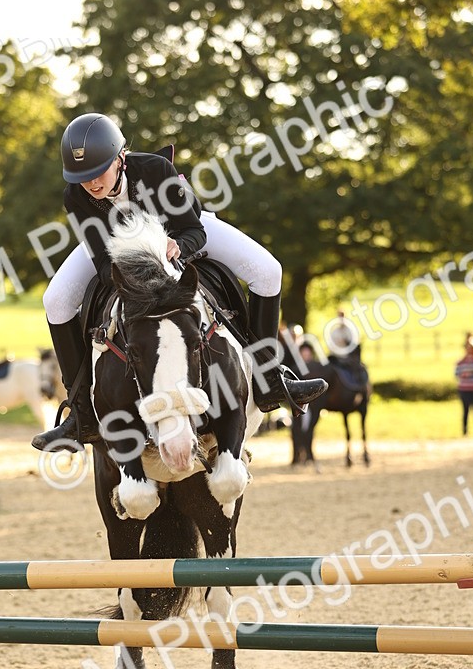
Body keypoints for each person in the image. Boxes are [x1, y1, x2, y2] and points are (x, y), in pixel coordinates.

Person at [32, 113, 327, 450]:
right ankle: (81, 413)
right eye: (83, 177)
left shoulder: (155, 172)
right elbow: (102, 261)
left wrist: (178, 248)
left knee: (268, 271)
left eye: (98, 172)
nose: (92, 184)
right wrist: (135, 270)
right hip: (120, 250)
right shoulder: (76, 196)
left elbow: (194, 231)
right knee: (54, 301)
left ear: (120, 159)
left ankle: (269, 377)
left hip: (180, 231)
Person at [455, 335, 473, 436]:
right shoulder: (461, 362)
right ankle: (465, 430)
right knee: (465, 410)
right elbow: (457, 374)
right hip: (465, 389)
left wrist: (467, 374)